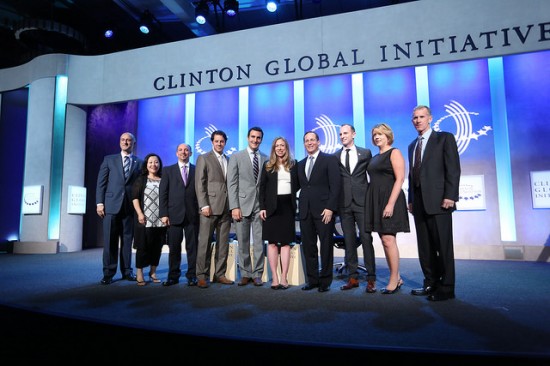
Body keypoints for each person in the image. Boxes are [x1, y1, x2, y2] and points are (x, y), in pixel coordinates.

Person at [407, 105, 461, 301]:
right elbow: (412, 174)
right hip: (419, 204)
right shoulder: (412, 145)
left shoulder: (444, 138)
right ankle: (430, 282)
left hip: (440, 202)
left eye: (421, 117)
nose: (418, 120)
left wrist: (450, 195)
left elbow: (453, 169)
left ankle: (447, 288)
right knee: (425, 247)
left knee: (443, 246)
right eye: (414, 118)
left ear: (430, 118)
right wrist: (411, 200)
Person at [365, 123, 410, 294]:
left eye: (380, 134)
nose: (377, 137)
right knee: (384, 240)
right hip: (376, 200)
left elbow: (399, 179)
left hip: (390, 199)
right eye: (375, 135)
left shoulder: (395, 152)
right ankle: (396, 276)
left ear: (388, 136)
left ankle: (393, 279)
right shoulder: (375, 157)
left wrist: (390, 204)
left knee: (389, 239)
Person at [334, 123, 377, 293]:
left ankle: (371, 278)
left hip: (362, 202)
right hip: (344, 204)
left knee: (366, 239)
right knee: (349, 241)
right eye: (340, 134)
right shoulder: (335, 156)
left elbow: (372, 177)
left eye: (345, 133)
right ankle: (353, 277)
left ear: (354, 134)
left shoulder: (365, 153)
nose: (343, 136)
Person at [96, 132, 143, 284]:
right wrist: (99, 203)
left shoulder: (139, 162)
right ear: (119, 142)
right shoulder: (109, 160)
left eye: (129, 140)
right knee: (110, 241)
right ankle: (108, 273)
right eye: (123, 140)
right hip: (110, 206)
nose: (125, 142)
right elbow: (101, 183)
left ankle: (127, 271)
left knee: (127, 241)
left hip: (129, 207)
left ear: (133, 143)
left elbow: (139, 187)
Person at [297, 131, 341, 292]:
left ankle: (325, 282)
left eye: (312, 140)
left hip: (324, 211)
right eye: (307, 140)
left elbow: (336, 186)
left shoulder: (329, 160)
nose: (309, 143)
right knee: (309, 247)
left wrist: (330, 208)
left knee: (326, 246)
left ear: (318, 142)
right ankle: (312, 280)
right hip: (305, 212)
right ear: (304, 143)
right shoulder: (300, 164)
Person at [227, 127, 268, 287]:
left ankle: (257, 274)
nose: (255, 140)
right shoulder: (236, 157)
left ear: (261, 140)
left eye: (258, 138)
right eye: (253, 137)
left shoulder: (265, 158)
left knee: (259, 242)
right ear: (247, 137)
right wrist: (234, 207)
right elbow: (232, 184)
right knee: (243, 242)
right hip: (241, 206)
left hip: (260, 206)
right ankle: (245, 273)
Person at [195, 130, 234, 288]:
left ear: (225, 143)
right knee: (204, 243)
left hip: (226, 208)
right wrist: (204, 205)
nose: (219, 144)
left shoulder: (229, 159)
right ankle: (202, 276)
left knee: (223, 244)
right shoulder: (203, 158)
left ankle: (219, 274)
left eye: (222, 141)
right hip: (209, 208)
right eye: (216, 141)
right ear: (212, 142)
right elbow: (200, 183)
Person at [259, 137, 299, 290]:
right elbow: (262, 188)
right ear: (274, 149)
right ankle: (274, 277)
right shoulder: (268, 166)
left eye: (282, 145)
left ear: (286, 147)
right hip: (271, 208)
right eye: (277, 146)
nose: (280, 148)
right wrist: (262, 207)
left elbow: (298, 184)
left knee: (286, 243)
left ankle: (284, 277)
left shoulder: (294, 165)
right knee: (273, 242)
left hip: (287, 206)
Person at [159, 143, 200, 287]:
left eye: (186, 150)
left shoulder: (197, 170)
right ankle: (173, 276)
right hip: (173, 215)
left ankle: (192, 276)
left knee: (193, 248)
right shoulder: (167, 170)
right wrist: (163, 214)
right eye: (181, 150)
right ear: (176, 153)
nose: (183, 152)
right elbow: (163, 194)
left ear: (190, 153)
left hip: (193, 215)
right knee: (174, 248)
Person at [131, 153, 167, 286]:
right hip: (144, 219)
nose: (153, 165)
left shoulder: (164, 179)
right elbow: (135, 198)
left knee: (157, 247)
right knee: (142, 247)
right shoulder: (141, 179)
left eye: (156, 162)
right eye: (151, 162)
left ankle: (153, 272)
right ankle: (139, 273)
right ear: (146, 164)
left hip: (160, 220)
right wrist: (140, 213)